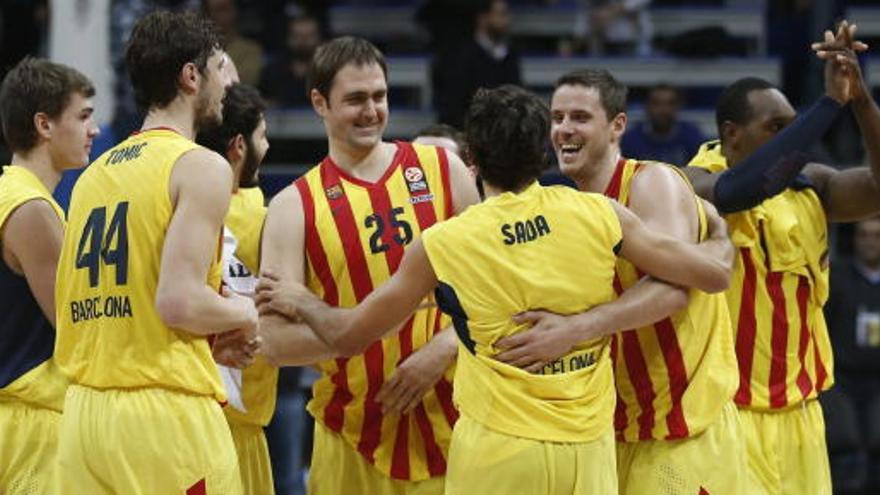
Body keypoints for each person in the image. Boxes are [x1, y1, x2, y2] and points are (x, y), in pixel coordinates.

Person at [254, 84, 734, 495]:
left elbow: (348, 337)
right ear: (542, 152)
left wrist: (303, 301)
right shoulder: (597, 212)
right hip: (588, 451)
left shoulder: (447, 241)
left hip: (500, 451)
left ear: (472, 160)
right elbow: (710, 277)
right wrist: (718, 236)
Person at [492, 68, 745, 494]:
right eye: (557, 118)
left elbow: (671, 290)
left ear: (617, 126)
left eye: (579, 117)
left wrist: (575, 329)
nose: (564, 130)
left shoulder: (651, 181)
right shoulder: (566, 203)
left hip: (680, 428)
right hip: (613, 427)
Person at [257, 36, 480, 494]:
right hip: (351, 433)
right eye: (355, 99)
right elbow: (275, 342)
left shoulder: (442, 169)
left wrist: (441, 350)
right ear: (319, 102)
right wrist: (370, 334)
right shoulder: (292, 206)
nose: (372, 111)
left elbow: (499, 293)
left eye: (379, 96)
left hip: (460, 420)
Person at [53, 11, 255, 494]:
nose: (225, 85)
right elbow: (178, 302)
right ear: (190, 76)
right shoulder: (200, 166)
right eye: (216, 70)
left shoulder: (93, 175)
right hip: (164, 420)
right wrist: (245, 312)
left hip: (84, 415)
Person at [682, 21, 880, 494]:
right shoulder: (689, 183)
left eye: (795, 130)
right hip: (727, 411)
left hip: (802, 410)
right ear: (731, 134)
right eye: (777, 129)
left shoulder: (813, 184)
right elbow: (740, 191)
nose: (795, 142)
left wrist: (860, 100)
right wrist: (827, 104)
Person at [0, 57, 98, 494]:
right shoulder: (32, 209)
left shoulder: (17, 195)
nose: (92, 130)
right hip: (31, 425)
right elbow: (76, 327)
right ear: (44, 124)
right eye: (82, 116)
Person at [197, 82, 275, 495]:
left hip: (184, 415)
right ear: (239, 146)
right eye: (262, 135)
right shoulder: (268, 217)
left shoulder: (176, 205)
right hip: (238, 426)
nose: (269, 144)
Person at [434, 0, 521, 128]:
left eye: (506, 14)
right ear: (483, 18)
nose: (506, 21)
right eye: (501, 14)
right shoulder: (461, 56)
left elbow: (518, 95)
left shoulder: (510, 55)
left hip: (503, 132)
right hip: (468, 132)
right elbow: (452, 106)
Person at [620, 83, 706, 166]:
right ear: (647, 106)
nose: (664, 110)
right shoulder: (630, 141)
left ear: (678, 106)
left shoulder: (692, 137)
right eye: (657, 103)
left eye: (670, 103)